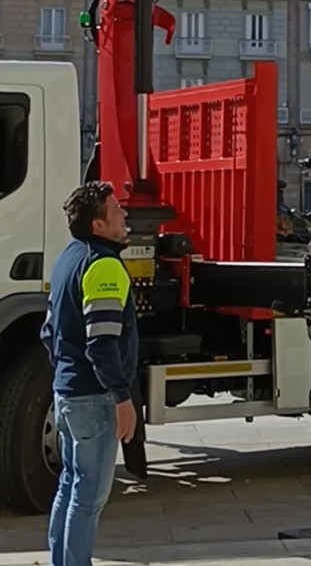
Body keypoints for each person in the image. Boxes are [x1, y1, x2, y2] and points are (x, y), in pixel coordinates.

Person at [41, 182, 137, 566]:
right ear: (99, 224)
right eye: (117, 211)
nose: (125, 215)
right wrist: (122, 397)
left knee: (69, 484)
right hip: (94, 397)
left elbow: (49, 330)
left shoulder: (68, 258)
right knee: (89, 497)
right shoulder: (105, 266)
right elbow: (102, 343)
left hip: (66, 392)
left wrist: (66, 370)